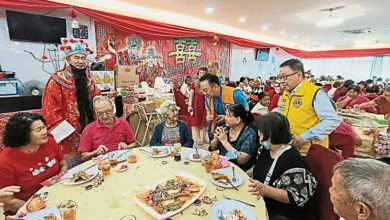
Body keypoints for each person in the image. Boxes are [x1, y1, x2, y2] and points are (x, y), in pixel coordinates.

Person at [42, 38, 100, 168]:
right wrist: (67, 130)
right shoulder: (56, 80)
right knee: (71, 170)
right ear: (68, 59)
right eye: (76, 57)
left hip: (89, 129)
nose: (80, 61)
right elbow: (50, 110)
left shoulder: (89, 80)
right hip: (68, 135)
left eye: (83, 58)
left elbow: (97, 98)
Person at [249, 112, 317, 220]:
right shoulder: (265, 149)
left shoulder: (293, 160)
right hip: (260, 199)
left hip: (281, 212)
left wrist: (264, 190)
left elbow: (295, 197)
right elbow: (257, 168)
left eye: (261, 130)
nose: (258, 133)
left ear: (270, 133)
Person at [0, 113, 67, 212]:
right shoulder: (5, 162)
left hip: (57, 196)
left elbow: (63, 165)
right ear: (23, 135)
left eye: (44, 127)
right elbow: (8, 200)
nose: (45, 132)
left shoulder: (49, 142)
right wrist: (39, 208)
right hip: (26, 208)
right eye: (38, 130)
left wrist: (60, 186)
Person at [276, 59, 340, 156]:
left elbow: (332, 121)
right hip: (290, 146)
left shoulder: (315, 93)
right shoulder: (287, 92)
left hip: (310, 151)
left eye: (285, 77)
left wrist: (305, 136)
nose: (282, 81)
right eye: (280, 77)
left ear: (298, 74)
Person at [78, 96, 136, 162]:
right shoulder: (88, 129)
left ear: (113, 108)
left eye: (108, 111)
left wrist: (126, 146)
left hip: (123, 160)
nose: (105, 116)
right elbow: (83, 157)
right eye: (100, 113)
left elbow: (134, 144)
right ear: (95, 113)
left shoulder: (123, 123)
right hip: (102, 165)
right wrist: (96, 152)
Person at [209, 104, 258, 171]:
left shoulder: (249, 134)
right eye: (225, 115)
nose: (225, 118)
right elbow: (211, 148)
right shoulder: (225, 128)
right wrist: (217, 138)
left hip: (238, 170)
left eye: (228, 116)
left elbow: (241, 160)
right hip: (221, 165)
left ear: (238, 119)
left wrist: (224, 141)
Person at [188, 67, 208, 147]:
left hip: (205, 104)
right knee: (196, 121)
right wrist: (190, 105)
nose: (201, 74)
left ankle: (205, 137)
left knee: (204, 121)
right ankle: (198, 138)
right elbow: (191, 94)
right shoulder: (194, 83)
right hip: (196, 104)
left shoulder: (207, 83)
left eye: (203, 72)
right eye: (200, 72)